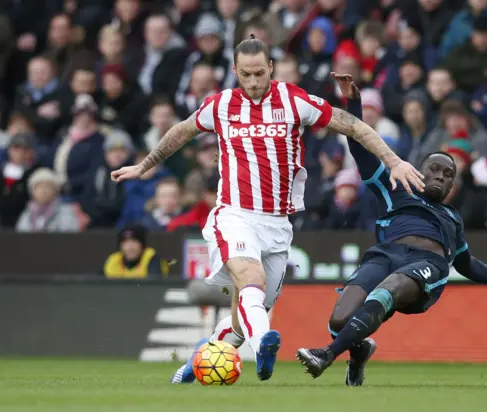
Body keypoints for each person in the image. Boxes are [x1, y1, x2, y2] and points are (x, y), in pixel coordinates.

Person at [111, 35, 425, 382]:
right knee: (251, 279)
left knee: (243, 319)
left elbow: (351, 125)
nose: (254, 81)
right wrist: (145, 166)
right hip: (234, 214)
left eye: (260, 73)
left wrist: (394, 161)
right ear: (234, 71)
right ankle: (264, 346)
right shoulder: (221, 105)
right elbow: (182, 131)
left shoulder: (294, 100)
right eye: (245, 74)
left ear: (271, 68)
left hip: (277, 224)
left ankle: (198, 361)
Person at [295, 73, 487, 385]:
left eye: (448, 174)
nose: (440, 177)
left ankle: (326, 355)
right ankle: (357, 353)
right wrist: (353, 103)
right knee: (340, 319)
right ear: (418, 170)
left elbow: (466, 263)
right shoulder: (396, 189)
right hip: (384, 256)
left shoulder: (453, 219)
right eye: (435, 170)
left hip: (426, 264)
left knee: (391, 289)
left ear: (453, 183)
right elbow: (360, 149)